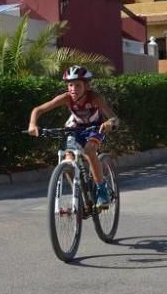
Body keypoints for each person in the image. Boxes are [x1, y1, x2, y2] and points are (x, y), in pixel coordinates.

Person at [27, 65, 118, 206]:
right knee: (68, 158)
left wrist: (109, 123)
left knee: (89, 150)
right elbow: (37, 110)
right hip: (76, 127)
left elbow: (114, 118)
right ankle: (80, 192)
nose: (73, 89)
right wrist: (32, 125)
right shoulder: (66, 98)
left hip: (95, 128)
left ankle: (101, 190)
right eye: (70, 85)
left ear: (87, 86)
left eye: (78, 85)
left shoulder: (95, 98)